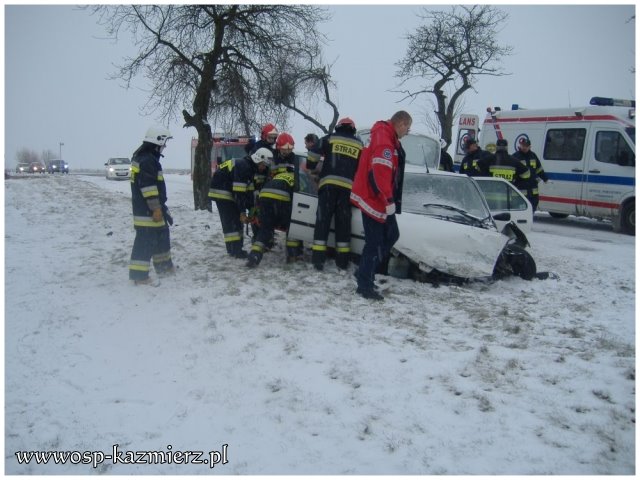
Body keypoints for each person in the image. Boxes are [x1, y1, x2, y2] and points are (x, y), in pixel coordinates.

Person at [350, 111, 411, 300]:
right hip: (374, 200)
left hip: (374, 197)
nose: (407, 132)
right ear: (401, 123)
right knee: (375, 242)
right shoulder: (384, 140)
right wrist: (388, 201)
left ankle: (364, 272)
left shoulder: (385, 136)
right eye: (407, 128)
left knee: (389, 236)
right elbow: (379, 174)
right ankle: (364, 284)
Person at [307, 117, 364, 271]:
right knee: (343, 225)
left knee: (322, 222)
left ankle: (318, 261)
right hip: (347, 190)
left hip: (328, 187)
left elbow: (312, 155)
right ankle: (342, 262)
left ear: (338, 127)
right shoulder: (359, 144)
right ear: (353, 129)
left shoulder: (330, 138)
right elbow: (363, 168)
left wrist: (311, 166)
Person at [128, 126, 175, 285]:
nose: (165, 146)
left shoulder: (144, 158)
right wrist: (156, 208)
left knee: (162, 236)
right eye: (164, 142)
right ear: (158, 141)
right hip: (148, 211)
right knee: (145, 242)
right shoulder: (148, 160)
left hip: (150, 208)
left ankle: (164, 267)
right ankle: (139, 276)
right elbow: (148, 187)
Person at [209, 147, 272, 258]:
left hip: (227, 190)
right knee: (232, 221)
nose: (264, 168)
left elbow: (248, 193)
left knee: (235, 221)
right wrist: (242, 213)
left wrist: (252, 210)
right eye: (263, 165)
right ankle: (235, 251)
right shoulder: (244, 167)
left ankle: (235, 249)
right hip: (222, 192)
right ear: (258, 160)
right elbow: (239, 192)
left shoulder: (250, 168)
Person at [246, 171, 303, 268]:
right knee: (291, 227)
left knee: (265, 229)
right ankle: (292, 255)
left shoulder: (279, 176)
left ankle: (254, 255)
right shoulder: (299, 178)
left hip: (264, 195)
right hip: (282, 198)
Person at [513, 137, 549, 211]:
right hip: (520, 189)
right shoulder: (515, 156)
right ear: (520, 146)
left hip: (533, 190)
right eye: (523, 145)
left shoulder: (533, 155)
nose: (524, 147)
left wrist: (545, 179)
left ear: (530, 146)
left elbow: (539, 169)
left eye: (526, 146)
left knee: (532, 208)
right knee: (521, 211)